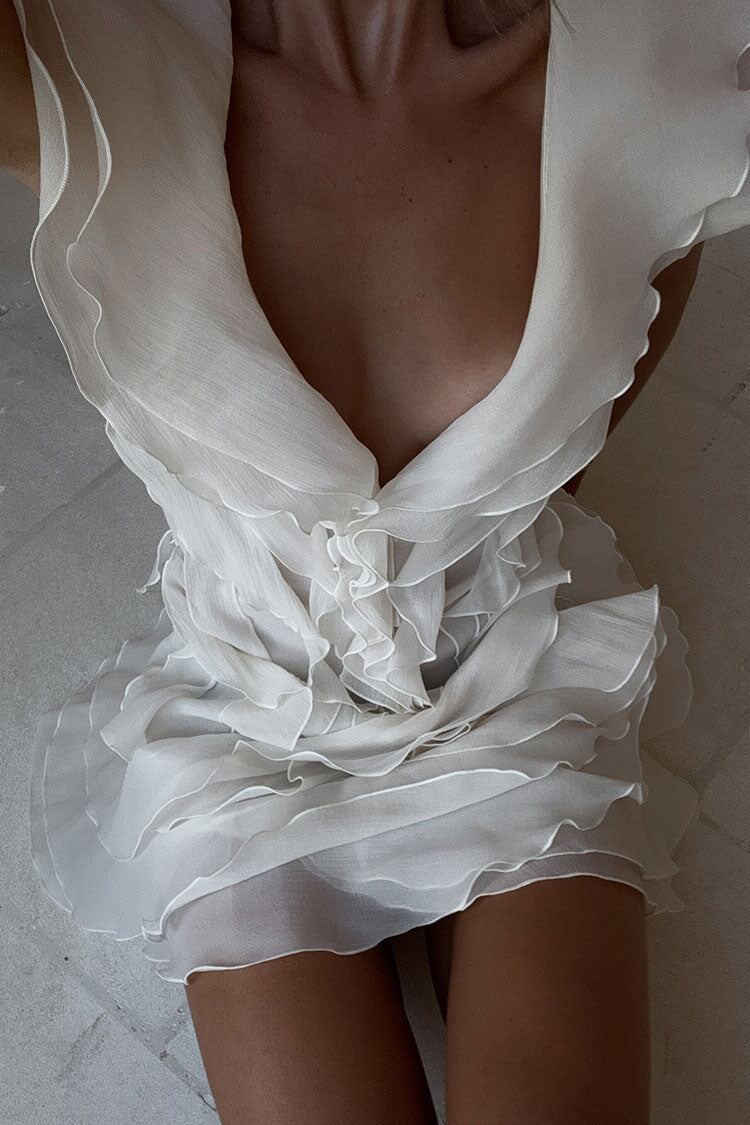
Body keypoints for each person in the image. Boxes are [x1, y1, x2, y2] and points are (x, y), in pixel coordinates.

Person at [2, 1, 747, 1122]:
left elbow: (587, 418)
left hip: (509, 675)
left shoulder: (656, 71)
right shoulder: (75, 59)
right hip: (246, 708)